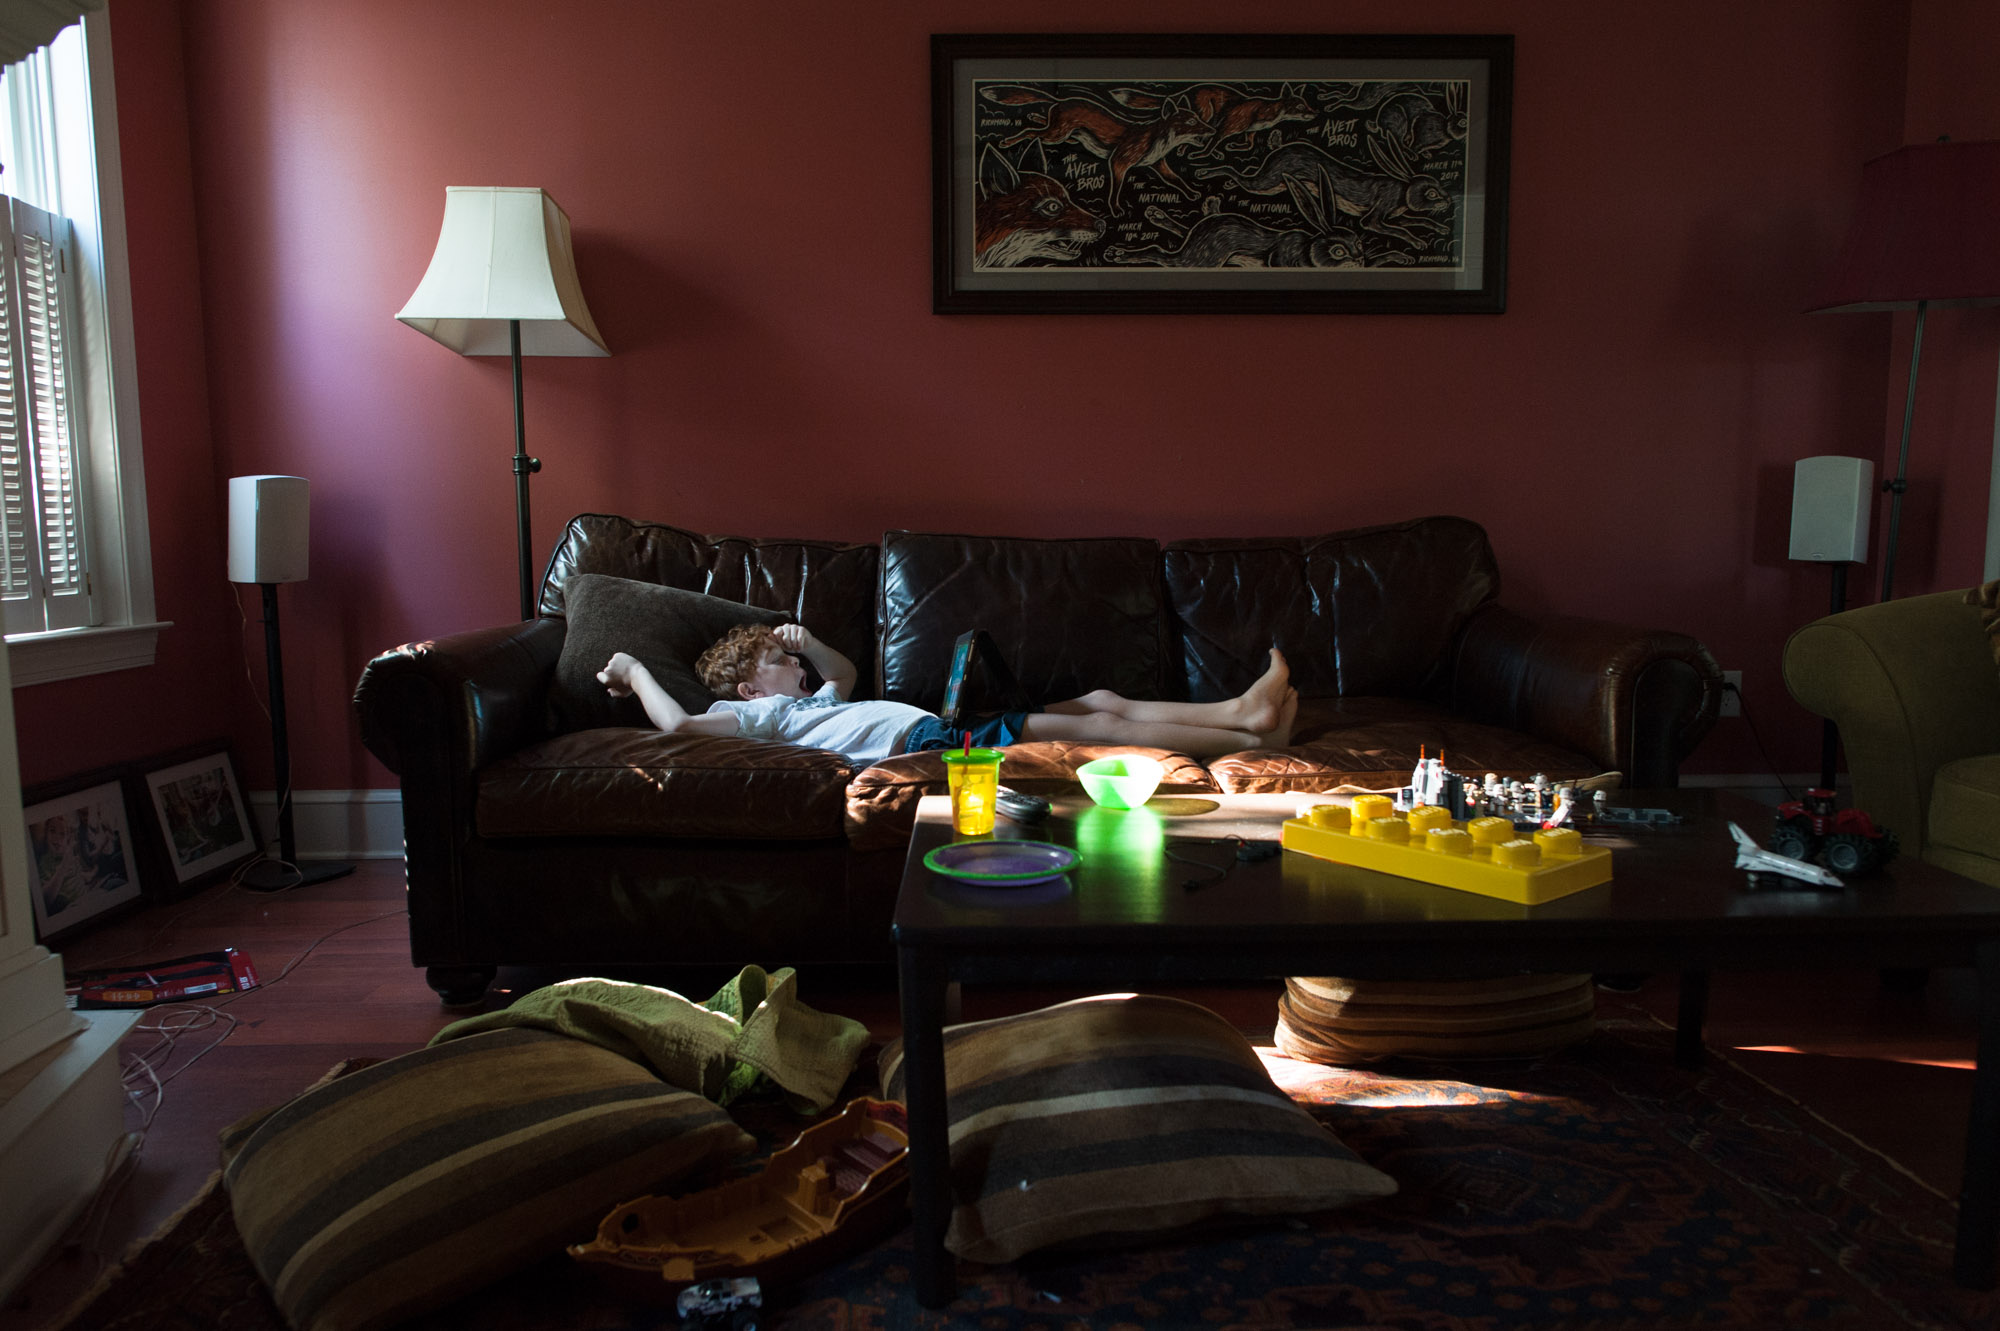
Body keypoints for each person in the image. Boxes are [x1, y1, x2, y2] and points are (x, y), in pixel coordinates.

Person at [597, 622, 1297, 767]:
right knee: (1101, 728)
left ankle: (1238, 715)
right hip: (932, 743)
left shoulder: (812, 705)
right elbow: (681, 729)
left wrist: (806, 645)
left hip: (941, 723)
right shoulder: (760, 716)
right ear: (751, 688)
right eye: (779, 661)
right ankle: (1250, 734)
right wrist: (633, 669)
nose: (795, 666)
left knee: (1103, 697)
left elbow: (841, 670)